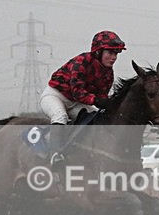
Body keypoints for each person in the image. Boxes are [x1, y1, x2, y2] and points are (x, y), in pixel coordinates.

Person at [39, 30, 126, 169]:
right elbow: (77, 92)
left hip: (76, 103)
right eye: (110, 53)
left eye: (115, 54)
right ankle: (55, 155)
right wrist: (96, 100)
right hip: (55, 96)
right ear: (98, 52)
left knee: (95, 117)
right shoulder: (81, 62)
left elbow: (101, 97)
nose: (114, 57)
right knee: (60, 116)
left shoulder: (108, 73)